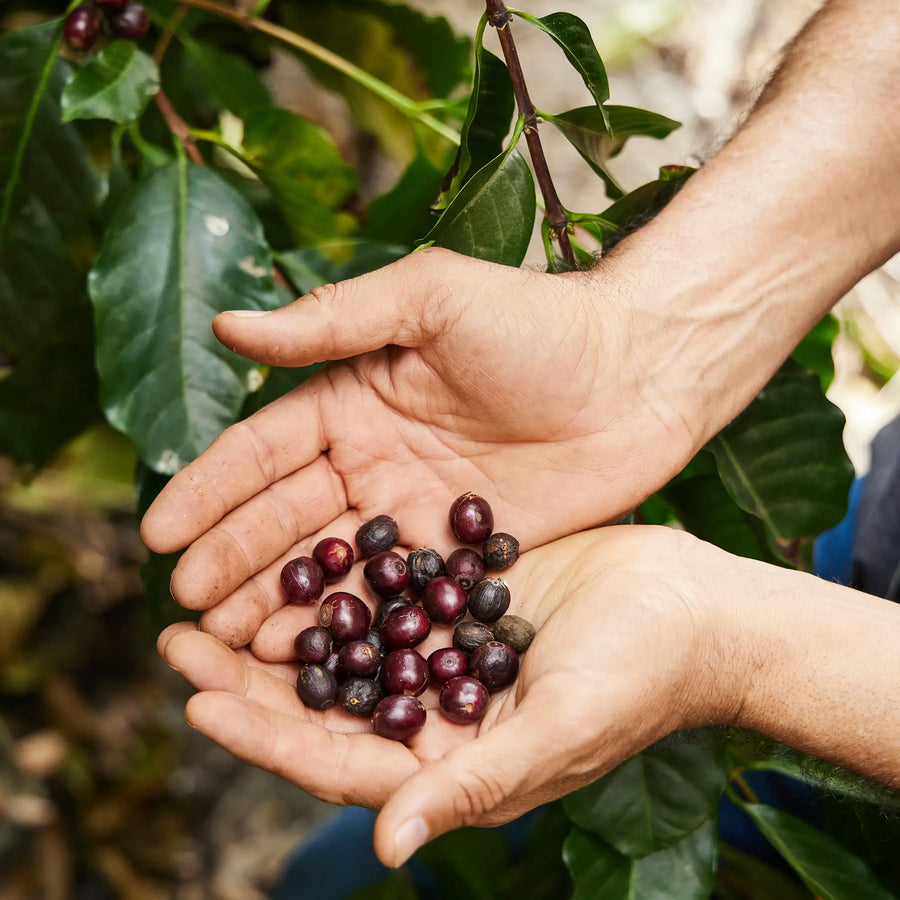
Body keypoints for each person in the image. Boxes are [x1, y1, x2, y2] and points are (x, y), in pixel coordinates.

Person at [143, 0, 900, 872]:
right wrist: (644, 342)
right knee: (333, 874)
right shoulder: (439, 599)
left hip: (836, 685)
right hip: (867, 555)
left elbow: (734, 646)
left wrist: (738, 648)